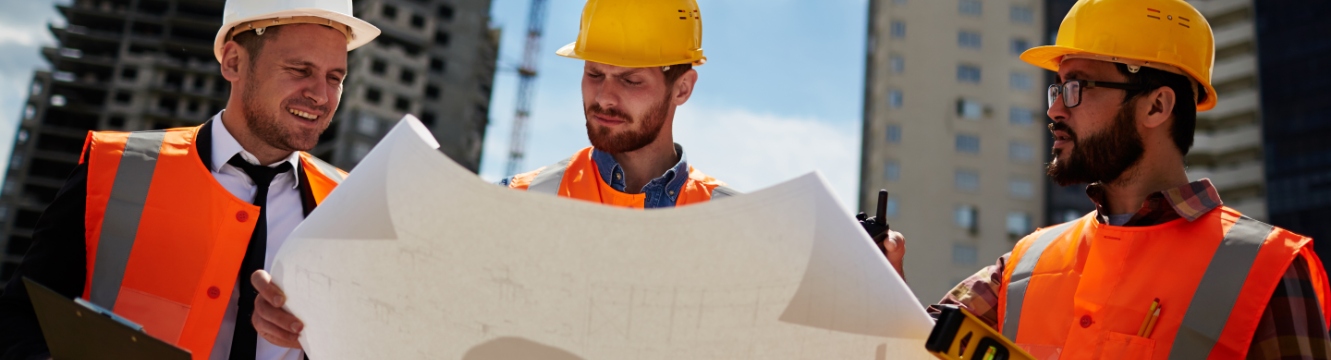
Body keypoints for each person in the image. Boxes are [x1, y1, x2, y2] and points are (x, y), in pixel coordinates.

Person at [883, 0, 1330, 358]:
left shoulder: (1268, 269)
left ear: (1156, 107)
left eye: (1078, 86)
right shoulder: (1027, 262)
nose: (1055, 109)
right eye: (1056, 88)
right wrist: (878, 280)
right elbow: (917, 346)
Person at [0, 0, 379, 359]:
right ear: (233, 61)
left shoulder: (351, 205)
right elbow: (20, 316)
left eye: (335, 77)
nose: (321, 95)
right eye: (300, 70)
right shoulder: (118, 169)